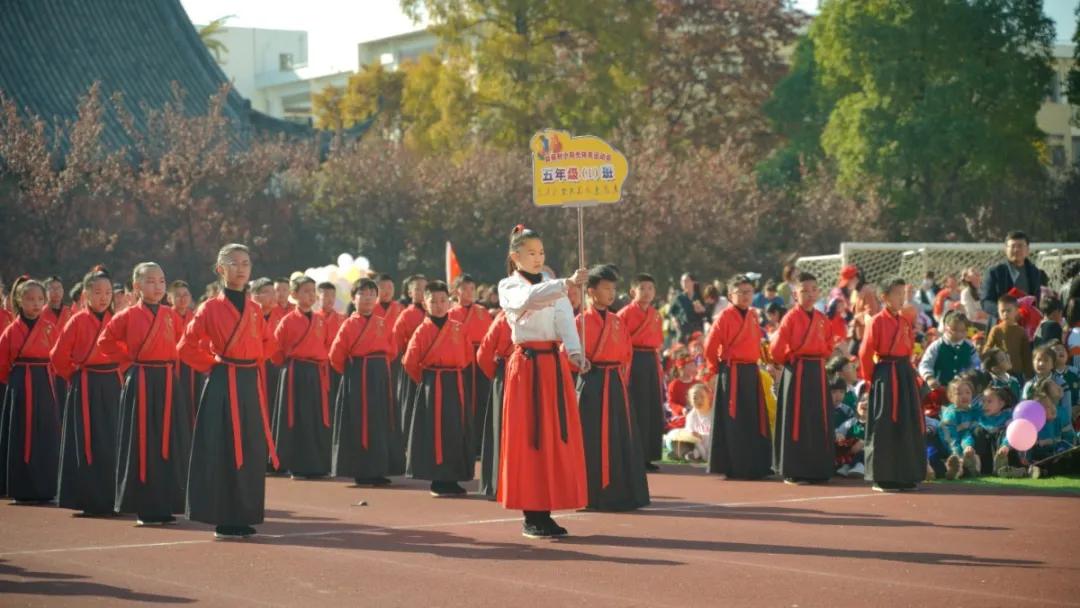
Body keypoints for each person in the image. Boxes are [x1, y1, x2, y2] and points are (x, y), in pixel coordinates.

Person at [180, 244, 279, 540]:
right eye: (234, 263)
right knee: (222, 448)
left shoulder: (254, 309)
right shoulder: (209, 307)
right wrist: (214, 366)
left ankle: (245, 513)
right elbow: (185, 347)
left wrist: (251, 357)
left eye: (246, 263)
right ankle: (223, 516)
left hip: (249, 381)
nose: (241, 268)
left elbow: (268, 343)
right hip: (224, 381)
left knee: (250, 446)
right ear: (220, 269)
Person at [497, 225, 589, 538]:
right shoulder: (509, 286)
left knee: (554, 438)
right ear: (515, 257)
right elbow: (529, 300)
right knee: (530, 438)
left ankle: (546, 509)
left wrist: (575, 352)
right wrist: (567, 283)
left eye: (541, 253)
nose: (538, 258)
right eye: (531, 253)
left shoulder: (553, 286)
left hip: (553, 365)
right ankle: (531, 513)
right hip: (527, 368)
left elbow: (564, 318)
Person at [98, 263, 191, 525]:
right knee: (143, 442)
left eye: (162, 281)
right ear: (137, 286)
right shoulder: (126, 316)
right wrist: (129, 361)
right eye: (150, 281)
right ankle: (145, 506)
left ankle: (168, 503)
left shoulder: (171, 315)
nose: (158, 286)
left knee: (170, 441)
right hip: (140, 381)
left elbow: (184, 341)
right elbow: (104, 342)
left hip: (168, 381)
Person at [574, 265, 650, 512]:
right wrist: (580, 362)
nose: (611, 293)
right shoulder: (581, 321)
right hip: (592, 383)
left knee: (620, 437)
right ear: (592, 291)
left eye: (613, 288)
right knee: (592, 439)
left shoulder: (617, 321)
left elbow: (627, 352)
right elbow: (568, 352)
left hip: (615, 383)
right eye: (606, 288)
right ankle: (591, 495)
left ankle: (623, 492)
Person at [51, 266, 121, 516]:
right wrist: (75, 374)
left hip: (112, 383)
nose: (104, 297)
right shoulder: (78, 320)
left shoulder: (116, 319)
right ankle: (89, 498)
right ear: (86, 294)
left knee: (113, 438)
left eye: (108, 292)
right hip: (86, 384)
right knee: (88, 441)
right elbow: (58, 356)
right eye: (98, 292)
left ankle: (114, 497)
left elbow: (125, 353)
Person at [401, 280, 473, 497]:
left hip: (455, 383)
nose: (439, 305)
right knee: (436, 433)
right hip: (434, 385)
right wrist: (428, 382)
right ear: (425, 303)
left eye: (443, 300)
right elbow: (410, 362)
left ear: (450, 302)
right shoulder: (422, 330)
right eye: (434, 301)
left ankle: (453, 478)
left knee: (455, 430)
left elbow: (468, 356)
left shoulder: (458, 328)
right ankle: (438, 480)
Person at [329, 278, 402, 487]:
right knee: (361, 422)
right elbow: (336, 356)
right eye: (363, 294)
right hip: (358, 376)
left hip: (380, 376)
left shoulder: (382, 322)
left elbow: (393, 350)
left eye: (372, 294)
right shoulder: (349, 324)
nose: (369, 298)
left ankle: (379, 469)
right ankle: (362, 470)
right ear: (354, 298)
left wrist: (378, 368)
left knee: (380, 422)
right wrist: (353, 373)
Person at [858, 277, 926, 492]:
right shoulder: (876, 321)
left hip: (904, 374)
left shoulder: (905, 321)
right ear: (884, 297)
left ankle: (905, 475)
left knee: (906, 423)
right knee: (885, 423)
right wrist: (874, 379)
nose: (901, 298)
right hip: (886, 375)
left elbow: (908, 350)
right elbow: (865, 353)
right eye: (897, 294)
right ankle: (883, 477)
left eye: (903, 293)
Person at [704, 274, 772, 480]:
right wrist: (717, 368)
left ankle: (756, 463)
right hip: (731, 371)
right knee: (734, 418)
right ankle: (735, 465)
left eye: (749, 292)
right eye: (740, 292)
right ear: (730, 295)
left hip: (751, 370)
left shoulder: (753, 315)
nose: (745, 296)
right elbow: (710, 346)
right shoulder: (724, 317)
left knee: (753, 416)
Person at [770, 272, 835, 484]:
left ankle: (818, 469)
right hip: (797, 370)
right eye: (804, 291)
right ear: (795, 294)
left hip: (817, 369)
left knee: (817, 418)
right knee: (797, 419)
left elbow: (829, 344)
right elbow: (776, 349)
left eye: (813, 290)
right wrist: (791, 359)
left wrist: (820, 354)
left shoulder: (822, 319)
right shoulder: (790, 317)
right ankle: (795, 469)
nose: (809, 294)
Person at [0, 277, 60, 502]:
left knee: (45, 434)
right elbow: (2, 364)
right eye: (30, 299)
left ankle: (46, 488)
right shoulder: (11, 330)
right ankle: (22, 489)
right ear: (19, 300)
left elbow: (58, 355)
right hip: (20, 384)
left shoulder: (49, 328)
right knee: (21, 433)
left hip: (44, 381)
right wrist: (16, 381)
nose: (35, 304)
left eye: (39, 299)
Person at [272, 276, 332, 479]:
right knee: (297, 417)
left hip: (315, 372)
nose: (311, 295)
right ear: (294, 294)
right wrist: (289, 367)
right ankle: (297, 465)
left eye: (312, 290)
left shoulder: (320, 320)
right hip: (295, 373)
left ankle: (317, 465)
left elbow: (326, 345)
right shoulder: (287, 320)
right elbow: (275, 350)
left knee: (315, 417)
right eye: (306, 291)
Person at [617, 273, 665, 471]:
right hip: (632, 360)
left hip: (650, 360)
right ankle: (633, 455)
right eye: (642, 288)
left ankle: (648, 455)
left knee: (652, 406)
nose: (647, 292)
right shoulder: (624, 314)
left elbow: (659, 339)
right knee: (635, 406)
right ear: (632, 291)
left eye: (650, 288)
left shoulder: (655, 314)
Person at [448, 274, 493, 458]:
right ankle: (463, 444)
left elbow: (491, 337)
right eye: (465, 288)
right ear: (456, 291)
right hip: (462, 361)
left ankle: (481, 445)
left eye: (472, 289)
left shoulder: (482, 311)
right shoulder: (450, 313)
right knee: (463, 402)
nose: (469, 292)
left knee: (483, 400)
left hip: (480, 359)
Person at [475, 309, 512, 497]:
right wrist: (498, 377)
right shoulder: (502, 319)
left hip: (533, 375)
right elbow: (484, 353)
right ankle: (498, 482)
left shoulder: (542, 313)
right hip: (506, 376)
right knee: (501, 428)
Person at [981, 231, 1049, 324]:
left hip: (1027, 324)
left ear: (1027, 250)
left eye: (1020, 246)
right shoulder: (994, 272)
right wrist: (1006, 313)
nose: (1016, 249)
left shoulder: (1035, 272)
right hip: (1001, 325)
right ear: (1006, 249)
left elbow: (1036, 300)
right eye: (1012, 246)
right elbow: (986, 302)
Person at [392, 274, 427, 442]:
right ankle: (408, 439)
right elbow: (396, 343)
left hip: (430, 368)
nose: (421, 292)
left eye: (424, 288)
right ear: (409, 292)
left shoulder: (435, 313)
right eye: (417, 288)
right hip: (411, 366)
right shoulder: (406, 315)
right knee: (410, 403)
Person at [917, 311, 980, 389]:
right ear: (946, 328)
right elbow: (925, 364)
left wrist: (970, 374)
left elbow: (976, 363)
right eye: (955, 330)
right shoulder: (937, 345)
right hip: (940, 388)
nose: (959, 334)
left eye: (963, 331)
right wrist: (929, 377)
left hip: (962, 389)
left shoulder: (969, 346)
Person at [168, 280, 199, 429]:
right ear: (169, 298)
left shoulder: (195, 317)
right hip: (172, 367)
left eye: (185, 294)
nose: (182, 298)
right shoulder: (165, 316)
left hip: (192, 367)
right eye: (178, 295)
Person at [982, 294, 1034, 380]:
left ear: (1017, 311)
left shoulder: (1021, 331)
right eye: (1002, 311)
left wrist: (1029, 374)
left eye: (1008, 311)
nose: (1005, 314)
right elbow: (987, 350)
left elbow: (1026, 355)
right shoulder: (996, 330)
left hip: (1017, 372)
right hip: (1001, 372)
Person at [938, 376, 980, 479]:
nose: (964, 396)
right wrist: (957, 453)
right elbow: (950, 438)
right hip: (948, 446)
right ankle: (957, 470)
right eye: (959, 393)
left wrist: (967, 446)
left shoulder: (972, 411)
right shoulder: (951, 414)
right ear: (951, 397)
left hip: (962, 444)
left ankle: (972, 469)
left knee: (975, 456)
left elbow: (966, 434)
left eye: (967, 392)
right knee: (956, 459)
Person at [668, 272, 706, 344]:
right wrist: (674, 321)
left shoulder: (700, 297)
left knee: (698, 354)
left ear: (693, 282)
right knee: (682, 353)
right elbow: (671, 312)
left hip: (697, 329)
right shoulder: (678, 297)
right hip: (683, 330)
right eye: (682, 281)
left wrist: (701, 310)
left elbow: (707, 313)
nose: (684, 283)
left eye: (686, 281)